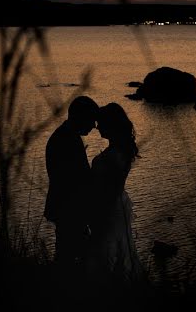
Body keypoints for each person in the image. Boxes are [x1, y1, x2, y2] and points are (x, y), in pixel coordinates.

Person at [44, 95, 99, 265]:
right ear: (80, 116)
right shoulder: (66, 139)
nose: (94, 125)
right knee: (70, 256)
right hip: (69, 210)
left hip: (67, 209)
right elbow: (73, 181)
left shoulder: (66, 135)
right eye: (91, 120)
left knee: (68, 253)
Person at [86, 102, 140, 278]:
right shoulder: (122, 150)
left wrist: (98, 211)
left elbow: (111, 187)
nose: (97, 126)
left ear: (110, 124)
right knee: (116, 249)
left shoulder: (114, 156)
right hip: (115, 204)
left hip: (109, 207)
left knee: (106, 249)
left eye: (100, 122)